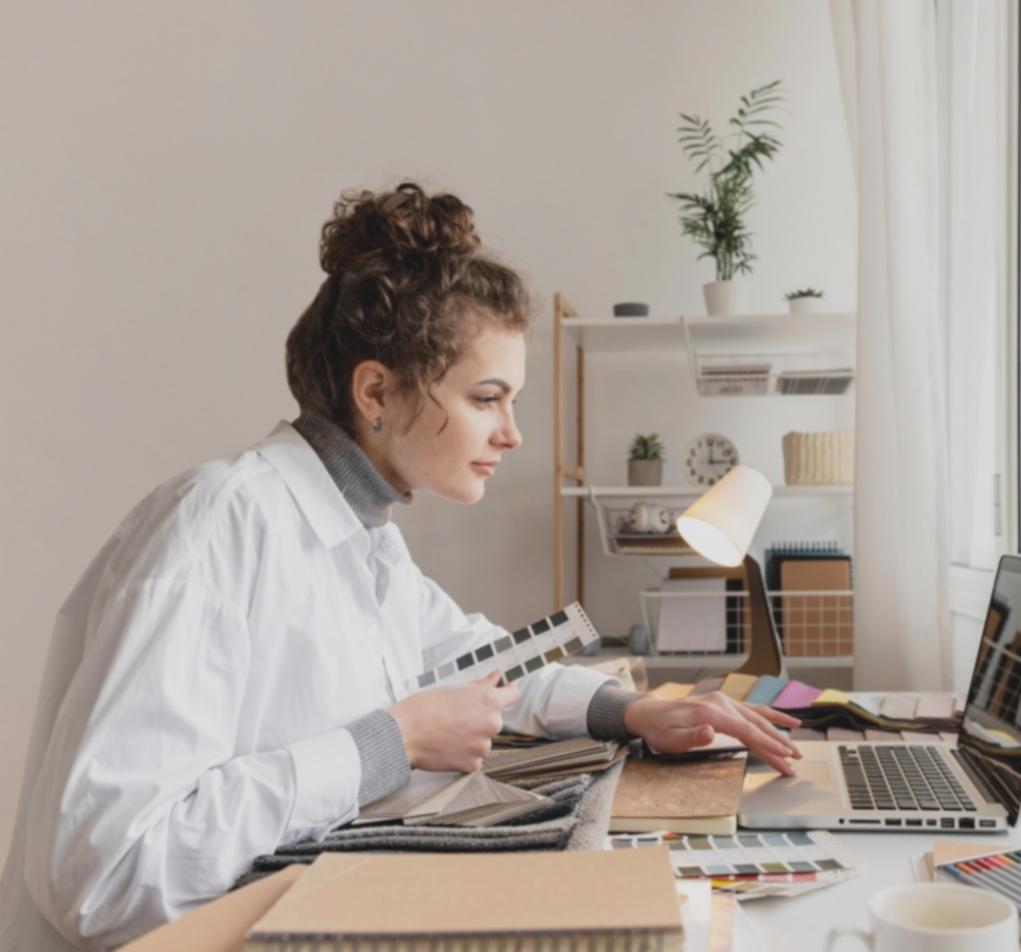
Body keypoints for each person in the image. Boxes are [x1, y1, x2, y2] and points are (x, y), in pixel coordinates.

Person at [0, 182, 802, 951]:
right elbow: (102, 875)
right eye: (488, 398)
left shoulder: (365, 537)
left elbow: (487, 664)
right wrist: (386, 745)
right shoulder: (219, 526)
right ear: (377, 391)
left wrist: (634, 712)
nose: (513, 434)